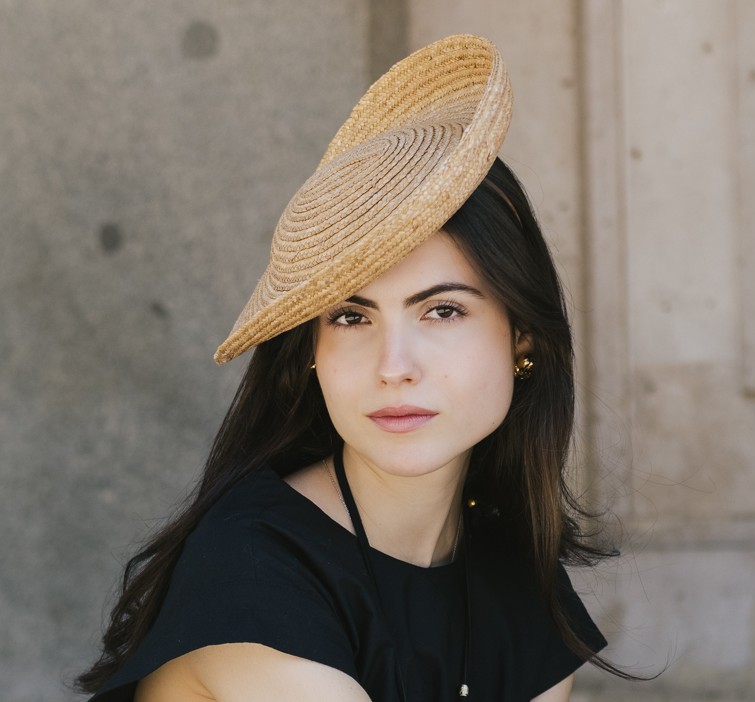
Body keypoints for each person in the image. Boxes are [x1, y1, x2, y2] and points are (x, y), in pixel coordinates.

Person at [77, 34, 622, 701]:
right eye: (351, 317)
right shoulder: (252, 571)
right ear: (310, 350)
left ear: (522, 338)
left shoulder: (514, 572)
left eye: (442, 311)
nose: (394, 366)